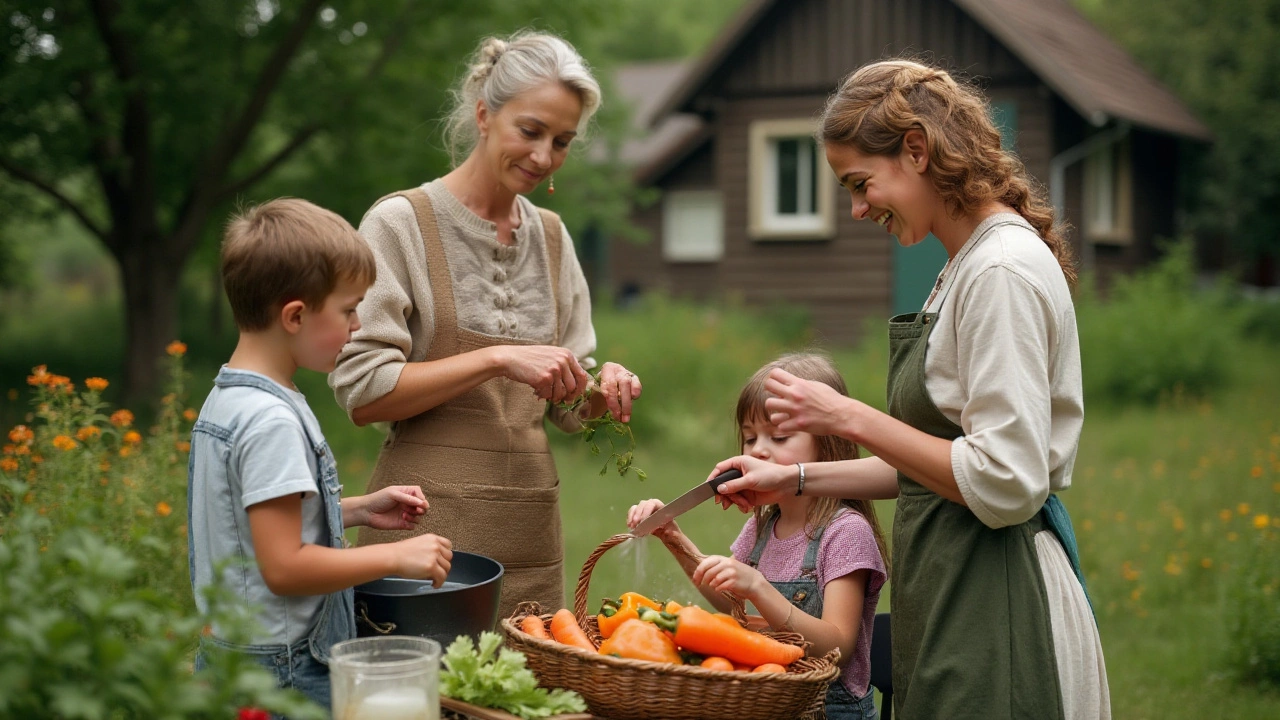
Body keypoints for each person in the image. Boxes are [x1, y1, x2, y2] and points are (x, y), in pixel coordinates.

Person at [709, 60, 1111, 719]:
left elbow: (1005, 482)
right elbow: (934, 468)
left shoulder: (1000, 271)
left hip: (996, 599)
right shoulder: (963, 267)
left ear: (917, 151)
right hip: (954, 588)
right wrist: (797, 480)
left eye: (860, 183)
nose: (858, 208)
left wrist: (848, 416)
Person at [329, 30, 642, 619]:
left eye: (563, 141)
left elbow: (570, 409)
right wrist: (498, 358)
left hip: (530, 541)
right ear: (483, 114)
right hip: (420, 538)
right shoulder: (401, 224)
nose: (545, 156)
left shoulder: (551, 238)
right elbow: (364, 392)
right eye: (530, 131)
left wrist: (604, 390)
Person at [188, 198, 454, 712]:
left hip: (234, 654)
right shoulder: (272, 422)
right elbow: (284, 567)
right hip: (280, 669)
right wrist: (397, 557)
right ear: (295, 315)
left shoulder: (228, 399)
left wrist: (354, 509)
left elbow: (252, 525)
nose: (357, 325)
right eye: (349, 309)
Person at [628, 353, 888, 719]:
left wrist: (759, 587)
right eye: (750, 438)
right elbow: (729, 600)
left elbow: (838, 647)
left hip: (830, 710)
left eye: (779, 436)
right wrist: (673, 537)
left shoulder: (845, 532)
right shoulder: (764, 525)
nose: (759, 449)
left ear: (829, 443)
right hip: (770, 701)